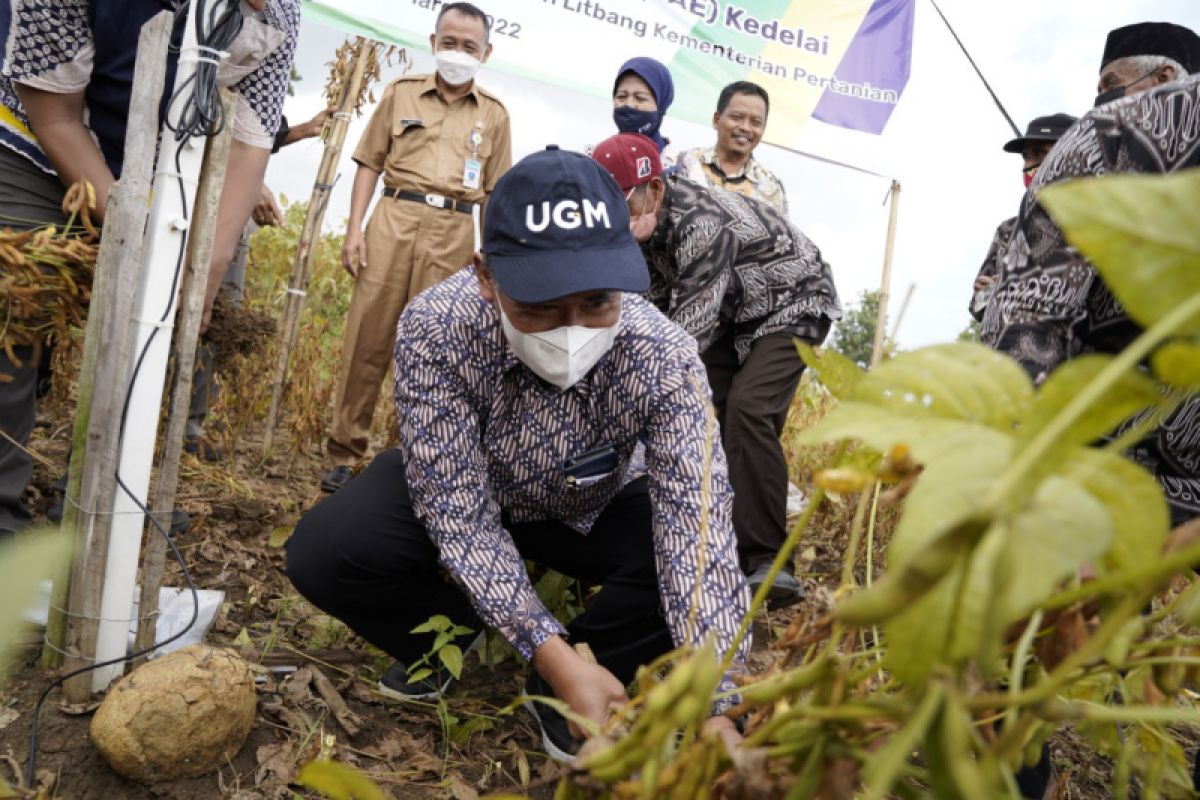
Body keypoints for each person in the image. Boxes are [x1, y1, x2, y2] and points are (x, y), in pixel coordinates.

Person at [286, 146, 749, 761]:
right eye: (537, 308)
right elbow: (457, 511)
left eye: (596, 303)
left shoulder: (661, 354)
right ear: (485, 275)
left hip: (592, 504)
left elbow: (697, 523)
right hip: (476, 489)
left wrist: (718, 701)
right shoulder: (438, 326)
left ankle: (581, 668)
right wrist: (539, 639)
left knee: (689, 562)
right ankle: (454, 635)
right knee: (330, 550)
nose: (572, 331)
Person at [0, 0, 300, 539]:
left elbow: (249, 149)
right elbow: (55, 115)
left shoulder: (277, 13)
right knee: (15, 322)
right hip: (37, 143)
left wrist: (203, 269)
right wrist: (130, 232)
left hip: (163, 163)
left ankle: (101, 492)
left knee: (152, 328)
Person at [592, 133, 841, 605]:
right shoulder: (634, 228)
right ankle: (712, 545)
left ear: (655, 190)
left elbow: (683, 339)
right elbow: (633, 311)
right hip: (736, 309)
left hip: (794, 301)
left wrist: (623, 405)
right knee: (707, 413)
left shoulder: (702, 225)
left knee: (748, 410)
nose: (613, 217)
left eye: (621, 203)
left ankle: (768, 560)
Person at [982, 24, 1200, 529]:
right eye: (1028, 158)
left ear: (1164, 76)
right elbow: (1025, 306)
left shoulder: (1115, 133)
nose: (1034, 163)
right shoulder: (1087, 158)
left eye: (1106, 86)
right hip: (1110, 423)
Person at [321, 1, 512, 493]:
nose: (457, 52)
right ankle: (344, 453)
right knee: (370, 334)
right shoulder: (401, 94)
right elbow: (368, 161)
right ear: (433, 43)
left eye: (469, 46)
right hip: (393, 218)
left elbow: (494, 193)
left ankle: (411, 455)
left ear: (486, 52)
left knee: (435, 347)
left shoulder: (494, 115)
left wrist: (490, 257)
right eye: (449, 42)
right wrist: (355, 229)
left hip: (454, 231)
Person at [186, 107, 331, 462]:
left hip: (232, 194)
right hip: (186, 184)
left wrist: (296, 131)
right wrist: (249, 182)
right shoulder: (202, 62)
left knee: (218, 317)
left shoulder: (265, 75)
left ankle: (189, 427)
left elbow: (254, 125)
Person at [969, 113, 1076, 321]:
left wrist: (1018, 287)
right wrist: (989, 292)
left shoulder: (1097, 224)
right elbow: (978, 307)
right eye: (1026, 156)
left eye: (1039, 153)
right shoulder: (1008, 231)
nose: (1028, 165)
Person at [676, 81, 788, 216]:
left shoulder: (771, 188)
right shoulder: (685, 163)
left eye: (756, 122)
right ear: (716, 120)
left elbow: (779, 236)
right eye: (736, 117)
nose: (745, 127)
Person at [610, 56, 674, 158]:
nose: (629, 105)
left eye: (640, 98)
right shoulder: (591, 161)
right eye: (621, 96)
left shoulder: (684, 168)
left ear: (661, 105)